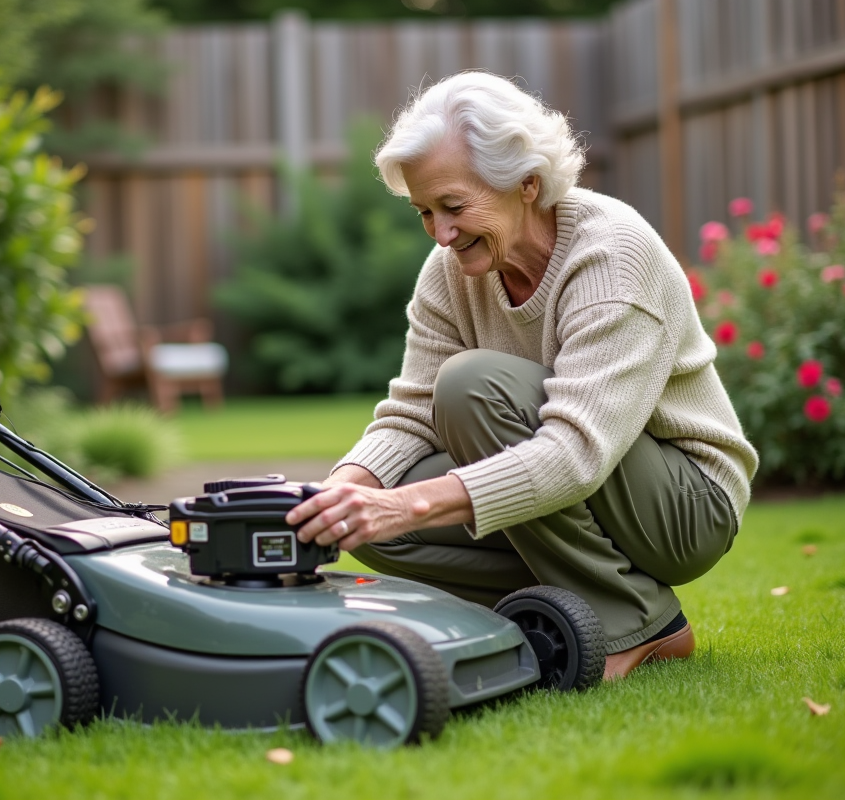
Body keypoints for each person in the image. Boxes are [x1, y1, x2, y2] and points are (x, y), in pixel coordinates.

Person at [285, 71, 758, 680]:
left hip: (682, 503)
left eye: (454, 206)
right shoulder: (450, 270)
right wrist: (333, 499)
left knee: (470, 388)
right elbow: (411, 414)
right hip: (585, 488)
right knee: (370, 528)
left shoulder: (611, 258)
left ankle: (640, 623)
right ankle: (563, 607)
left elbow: (574, 453)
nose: (441, 233)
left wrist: (408, 504)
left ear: (527, 184)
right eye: (424, 211)